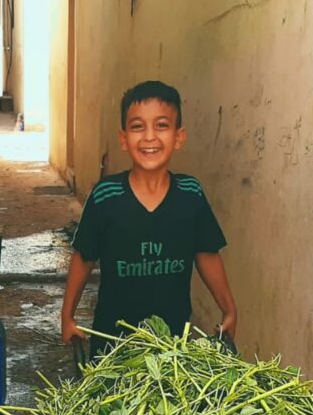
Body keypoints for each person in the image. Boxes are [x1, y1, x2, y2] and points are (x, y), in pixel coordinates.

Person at [61, 80, 237, 357]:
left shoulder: (190, 194)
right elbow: (84, 257)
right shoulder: (106, 196)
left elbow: (207, 253)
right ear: (123, 139)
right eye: (137, 126)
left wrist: (229, 309)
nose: (149, 137)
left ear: (179, 137)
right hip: (112, 343)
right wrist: (67, 316)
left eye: (162, 125)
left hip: (172, 346)